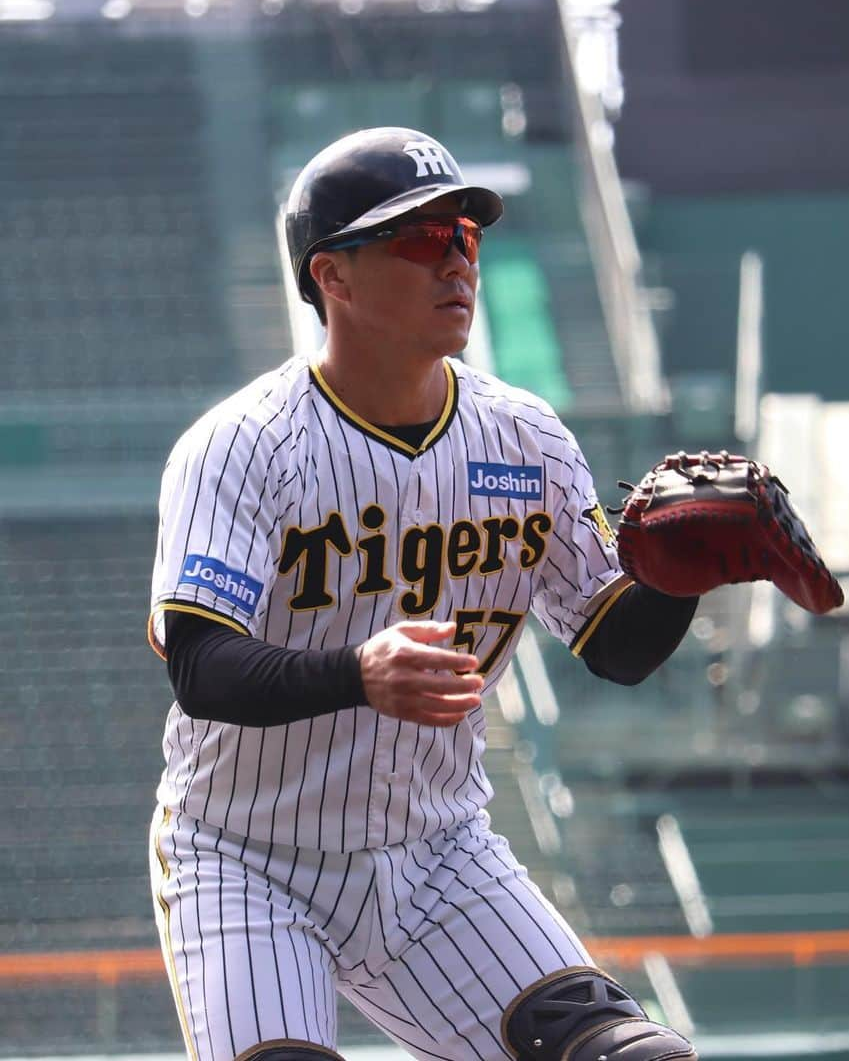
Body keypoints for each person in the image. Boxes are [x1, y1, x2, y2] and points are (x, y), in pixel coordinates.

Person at [147, 126, 699, 1061]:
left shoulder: (524, 437)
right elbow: (202, 667)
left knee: (632, 1057)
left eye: (466, 238)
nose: (456, 261)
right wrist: (358, 672)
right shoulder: (241, 444)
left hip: (441, 855)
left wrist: (682, 575)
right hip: (247, 859)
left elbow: (615, 645)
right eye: (418, 239)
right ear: (333, 278)